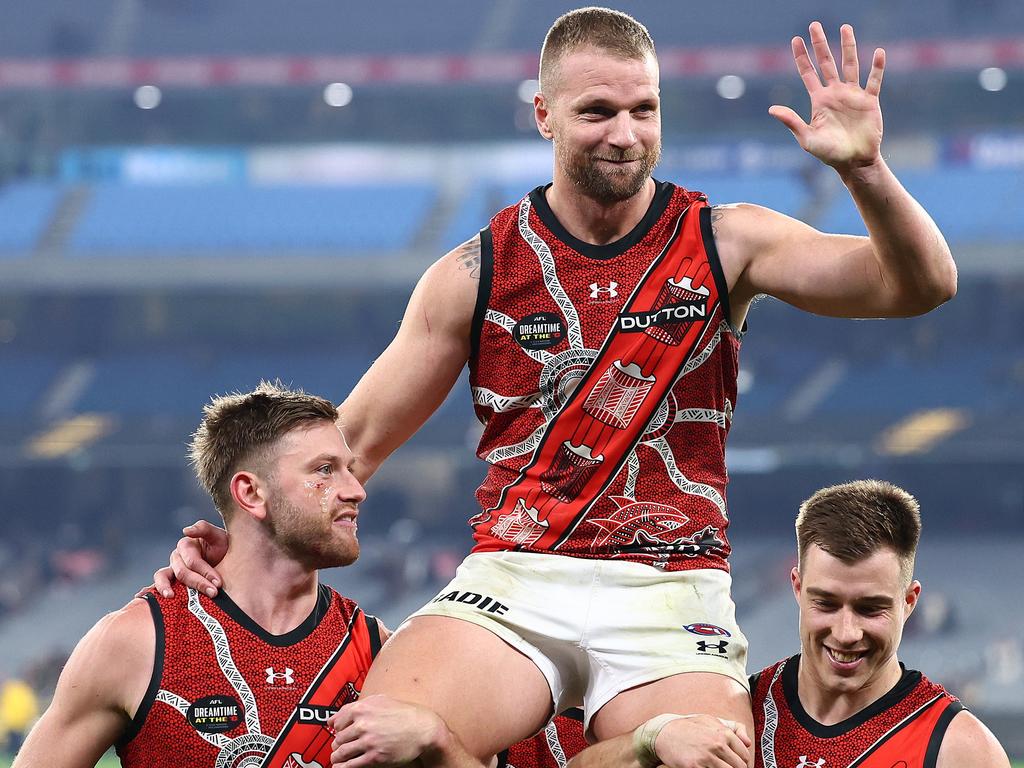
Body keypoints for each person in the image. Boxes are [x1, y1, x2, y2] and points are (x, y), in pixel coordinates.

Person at [163, 8, 958, 768]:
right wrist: (229, 544)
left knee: (709, 760)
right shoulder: (474, 274)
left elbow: (919, 286)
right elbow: (349, 445)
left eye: (644, 109)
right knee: (376, 743)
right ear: (543, 114)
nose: (625, 134)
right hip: (516, 577)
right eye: (597, 111)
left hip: (672, 583)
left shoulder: (728, 240)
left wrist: (866, 170)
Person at [12, 383, 475, 768]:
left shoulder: (378, 650)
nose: (356, 491)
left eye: (350, 471)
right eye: (324, 471)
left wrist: (438, 741)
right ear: (251, 492)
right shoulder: (137, 641)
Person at [555, 480, 1011, 768]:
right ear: (796, 587)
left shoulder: (958, 749)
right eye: (826, 603)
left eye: (871, 608)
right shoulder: (732, 713)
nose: (846, 632)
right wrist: (650, 739)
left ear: (909, 602)